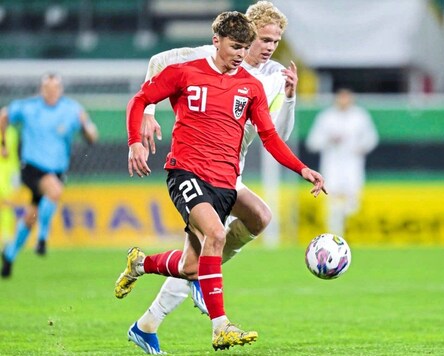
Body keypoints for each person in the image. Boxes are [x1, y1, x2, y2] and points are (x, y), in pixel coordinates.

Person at [115, 11, 326, 352]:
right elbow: (144, 90)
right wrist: (140, 132)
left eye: (274, 41)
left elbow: (273, 136)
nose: (262, 49)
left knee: (198, 258)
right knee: (214, 234)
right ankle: (220, 325)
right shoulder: (190, 65)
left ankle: (145, 271)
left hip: (228, 176)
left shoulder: (262, 81)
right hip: (187, 170)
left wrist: (301, 167)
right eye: (259, 41)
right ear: (227, 39)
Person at [0, 73, 99, 278]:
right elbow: (4, 116)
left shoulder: (72, 110)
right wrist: (3, 144)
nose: (51, 92)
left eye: (55, 88)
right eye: (47, 88)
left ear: (60, 90)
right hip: (32, 167)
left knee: (31, 214)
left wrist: (86, 126)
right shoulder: (29, 107)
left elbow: (92, 136)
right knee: (54, 190)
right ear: (41, 89)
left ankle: (9, 254)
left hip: (56, 170)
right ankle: (42, 239)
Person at [306, 88, 378, 236]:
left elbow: (371, 138)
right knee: (332, 202)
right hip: (332, 166)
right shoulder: (326, 117)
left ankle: (352, 233)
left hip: (353, 166)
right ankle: (333, 236)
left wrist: (360, 147)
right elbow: (312, 142)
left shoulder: (360, 116)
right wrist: (329, 139)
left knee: (352, 203)